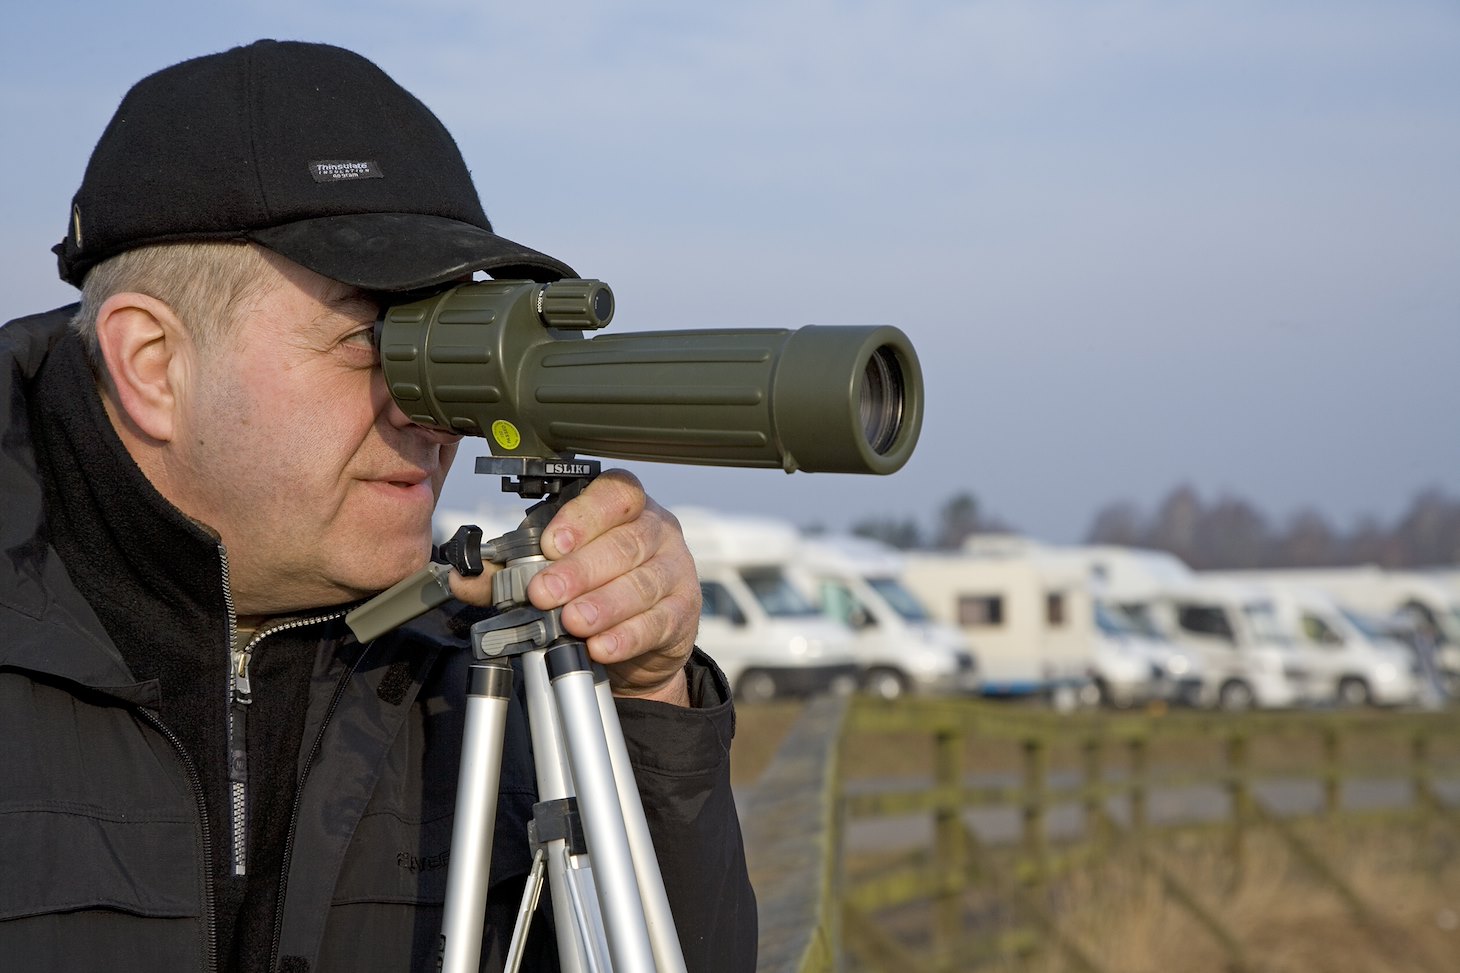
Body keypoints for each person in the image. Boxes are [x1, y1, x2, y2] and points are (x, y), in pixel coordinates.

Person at [0, 39, 756, 972]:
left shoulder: (480, 659)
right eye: (375, 342)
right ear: (154, 365)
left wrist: (648, 700)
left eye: (445, 348)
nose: (432, 413)